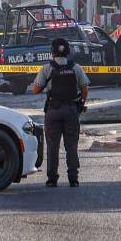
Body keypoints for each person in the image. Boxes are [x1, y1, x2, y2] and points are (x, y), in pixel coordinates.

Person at [31, 37, 90, 188]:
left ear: (52, 52)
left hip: (53, 111)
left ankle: (52, 179)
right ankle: (73, 179)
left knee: (52, 146)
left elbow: (35, 89)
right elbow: (84, 89)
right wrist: (81, 103)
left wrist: (46, 84)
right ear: (68, 51)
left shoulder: (47, 68)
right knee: (71, 145)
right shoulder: (76, 67)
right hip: (71, 110)